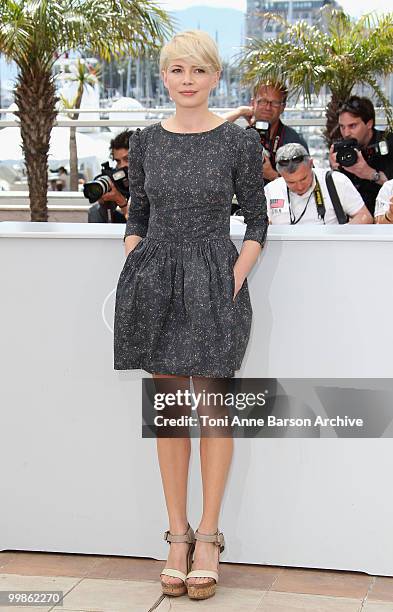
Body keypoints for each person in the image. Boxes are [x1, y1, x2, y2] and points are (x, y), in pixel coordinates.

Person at [113, 30, 268, 601]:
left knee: (213, 409)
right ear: (165, 77)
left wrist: (236, 274)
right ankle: (175, 536)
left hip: (215, 281)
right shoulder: (147, 141)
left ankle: (208, 536)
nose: (187, 80)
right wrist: (136, 255)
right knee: (171, 411)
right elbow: (138, 214)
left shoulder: (237, 144)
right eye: (177, 70)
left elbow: (256, 219)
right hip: (157, 281)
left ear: (214, 78)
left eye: (198, 71)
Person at [224, 82, 309, 184]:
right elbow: (207, 131)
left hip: (277, 198)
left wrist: (272, 174)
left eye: (275, 103)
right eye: (262, 101)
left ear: (282, 107)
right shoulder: (244, 136)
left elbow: (305, 185)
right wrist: (240, 111)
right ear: (253, 104)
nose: (268, 108)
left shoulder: (293, 140)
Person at [266, 143, 372, 225]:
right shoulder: (270, 191)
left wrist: (340, 235)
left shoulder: (336, 181)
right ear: (280, 174)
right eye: (291, 182)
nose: (299, 186)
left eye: (304, 179)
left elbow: (365, 216)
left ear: (311, 164)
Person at [329, 96, 393, 216]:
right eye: (342, 127)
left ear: (369, 124)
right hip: (354, 218)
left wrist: (370, 174)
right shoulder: (341, 149)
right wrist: (335, 171)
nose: (346, 133)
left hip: (385, 217)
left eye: (352, 126)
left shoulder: (388, 142)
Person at [87, 129, 132, 223]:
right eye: (118, 161)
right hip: (120, 225)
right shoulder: (119, 178)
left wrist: (121, 201)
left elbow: (144, 228)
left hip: (142, 232)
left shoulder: (151, 182)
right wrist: (105, 203)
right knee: (95, 211)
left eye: (127, 159)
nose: (122, 166)